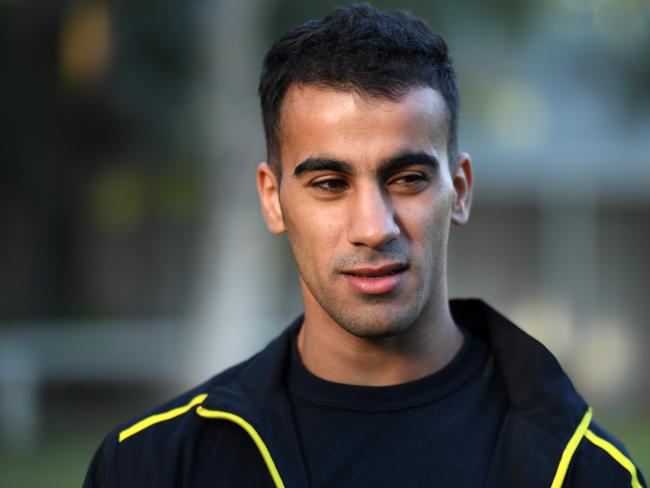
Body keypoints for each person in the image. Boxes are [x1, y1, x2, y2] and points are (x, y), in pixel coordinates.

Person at [84, 4, 646, 487]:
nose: (374, 227)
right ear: (273, 198)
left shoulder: (585, 473)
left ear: (460, 189)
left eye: (407, 179)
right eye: (329, 184)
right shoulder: (151, 467)